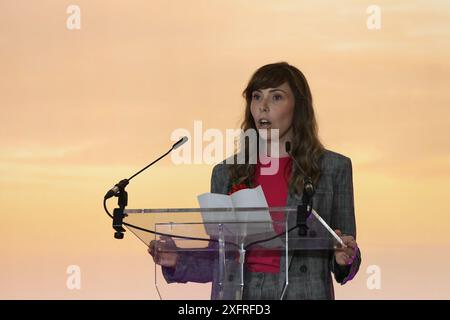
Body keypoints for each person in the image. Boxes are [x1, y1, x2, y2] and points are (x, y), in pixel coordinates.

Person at [148, 62, 361, 300]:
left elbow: (346, 251)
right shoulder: (226, 173)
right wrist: (177, 259)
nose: (263, 106)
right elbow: (219, 258)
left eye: (276, 97)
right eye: (256, 97)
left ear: (299, 107)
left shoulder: (333, 168)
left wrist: (344, 258)